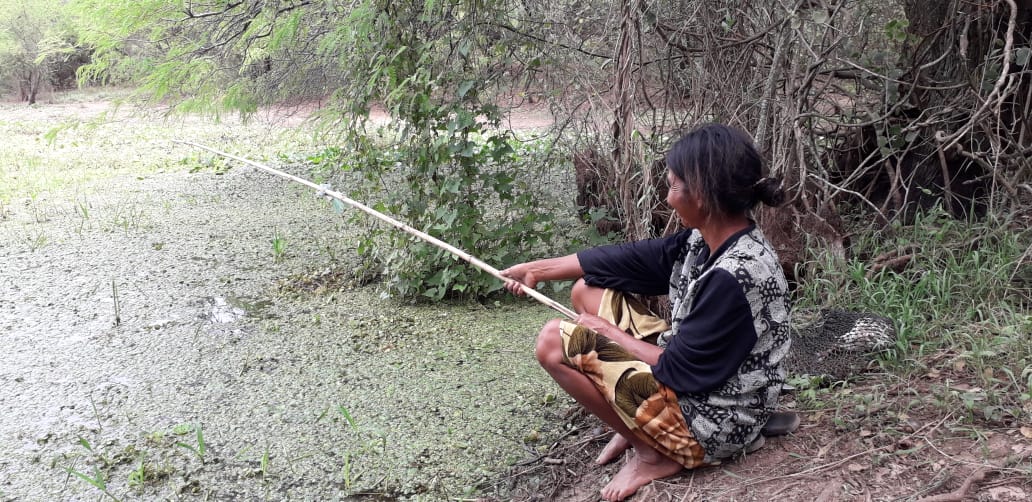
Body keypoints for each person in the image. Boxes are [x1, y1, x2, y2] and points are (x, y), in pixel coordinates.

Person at [501, 123, 792, 501]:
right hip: (697, 375)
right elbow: (631, 260)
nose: (668, 198)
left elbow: (678, 369)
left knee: (553, 343)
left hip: (713, 424)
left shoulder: (733, 277)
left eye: (674, 186)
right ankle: (635, 422)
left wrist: (608, 335)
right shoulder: (707, 240)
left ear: (701, 194)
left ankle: (653, 453)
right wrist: (538, 270)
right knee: (588, 290)